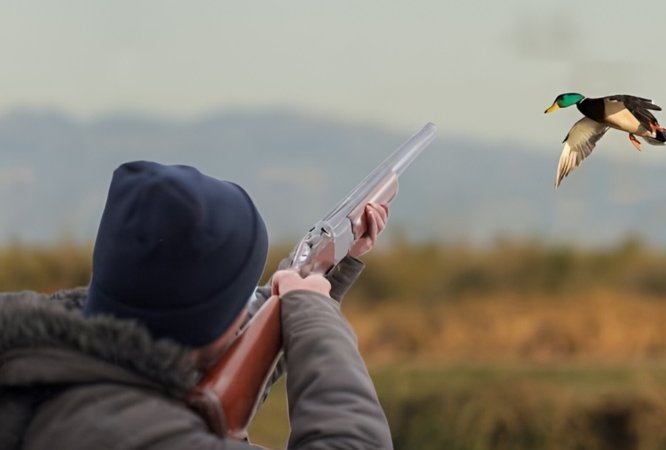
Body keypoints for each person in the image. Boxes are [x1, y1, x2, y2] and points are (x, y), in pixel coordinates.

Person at [0, 161, 393, 449]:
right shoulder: (142, 435)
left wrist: (325, 271)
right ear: (208, 324)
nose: (249, 310)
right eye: (242, 298)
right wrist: (313, 313)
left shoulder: (48, 374)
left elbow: (224, 342)